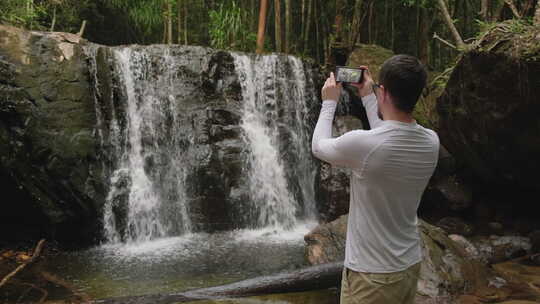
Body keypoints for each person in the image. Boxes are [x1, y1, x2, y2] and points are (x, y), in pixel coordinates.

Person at [312, 55, 440, 304]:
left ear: (386, 92)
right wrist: (370, 96)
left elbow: (318, 147)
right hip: (408, 265)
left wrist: (329, 103)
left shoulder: (365, 144)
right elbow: (388, 134)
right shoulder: (431, 141)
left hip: (372, 275)